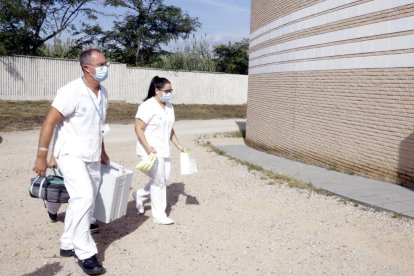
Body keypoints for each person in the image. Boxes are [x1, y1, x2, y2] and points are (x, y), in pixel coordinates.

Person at [32, 49, 110, 275]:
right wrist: (42, 156)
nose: (106, 68)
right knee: (83, 197)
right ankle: (85, 252)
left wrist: (103, 151)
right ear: (88, 68)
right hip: (71, 155)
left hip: (93, 156)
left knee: (84, 201)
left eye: (107, 63)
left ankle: (67, 242)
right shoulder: (70, 91)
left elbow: (99, 126)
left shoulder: (103, 93)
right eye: (102, 64)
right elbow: (49, 123)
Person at [133, 76, 184, 225]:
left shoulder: (169, 106)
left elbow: (169, 128)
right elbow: (138, 128)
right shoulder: (147, 106)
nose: (169, 93)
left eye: (171, 90)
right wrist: (148, 148)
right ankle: (159, 215)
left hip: (164, 150)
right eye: (166, 91)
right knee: (158, 182)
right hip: (149, 150)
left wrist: (179, 146)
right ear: (157, 90)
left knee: (164, 179)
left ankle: (140, 195)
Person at [45, 155, 100, 234]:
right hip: (69, 155)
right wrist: (53, 158)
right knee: (61, 188)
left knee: (90, 189)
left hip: (90, 156)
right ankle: (52, 210)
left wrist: (103, 154)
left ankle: (88, 221)